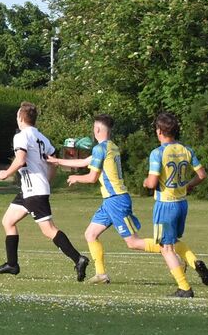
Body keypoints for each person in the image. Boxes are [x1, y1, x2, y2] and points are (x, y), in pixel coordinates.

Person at [0, 101, 90, 281]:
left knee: (49, 230)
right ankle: (12, 264)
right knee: (8, 221)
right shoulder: (43, 138)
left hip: (34, 190)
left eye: (17, 116)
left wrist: (6, 173)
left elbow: (20, 159)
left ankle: (78, 259)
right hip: (30, 190)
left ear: (21, 118)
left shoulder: (21, 136)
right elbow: (52, 163)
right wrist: (47, 181)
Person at [47, 114, 149, 284]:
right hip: (110, 201)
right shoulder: (111, 146)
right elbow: (85, 161)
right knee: (90, 234)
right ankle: (101, 274)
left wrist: (75, 178)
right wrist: (57, 161)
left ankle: (169, 251)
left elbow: (92, 177)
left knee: (133, 243)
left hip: (116, 200)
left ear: (97, 129)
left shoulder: (100, 149)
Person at [142, 111, 208, 298]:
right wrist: (189, 185)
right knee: (173, 242)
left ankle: (184, 288)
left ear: (159, 131)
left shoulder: (158, 153)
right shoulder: (186, 150)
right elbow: (202, 175)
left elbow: (153, 182)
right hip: (182, 204)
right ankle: (194, 261)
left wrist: (146, 183)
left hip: (165, 205)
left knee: (166, 248)